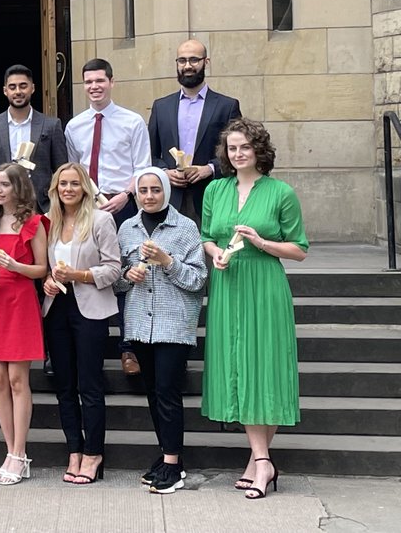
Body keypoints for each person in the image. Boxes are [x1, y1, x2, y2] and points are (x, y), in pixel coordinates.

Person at [201, 118, 308, 501]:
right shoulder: (215, 189)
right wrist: (216, 256)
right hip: (229, 285)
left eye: (244, 146)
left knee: (265, 367)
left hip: (265, 285)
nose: (238, 153)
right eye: (232, 148)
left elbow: (299, 249)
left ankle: (261, 461)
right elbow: (207, 238)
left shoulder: (281, 192)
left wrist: (262, 242)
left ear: (259, 149)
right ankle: (260, 460)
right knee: (238, 365)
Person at [114, 166, 207, 495]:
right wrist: (129, 275)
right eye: (144, 190)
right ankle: (169, 455)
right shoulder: (127, 228)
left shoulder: (185, 228)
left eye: (156, 190)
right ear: (136, 194)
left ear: (166, 191)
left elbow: (198, 279)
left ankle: (173, 465)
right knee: (153, 393)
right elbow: (118, 278)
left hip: (173, 323)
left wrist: (168, 262)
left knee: (168, 392)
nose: (149, 196)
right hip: (140, 322)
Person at [64, 57, 151, 376]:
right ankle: (91, 345)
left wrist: (125, 195)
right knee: (88, 272)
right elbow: (74, 171)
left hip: (123, 203)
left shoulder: (132, 122)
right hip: (88, 208)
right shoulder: (74, 126)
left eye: (100, 80)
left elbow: (142, 167)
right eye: (88, 81)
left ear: (111, 82)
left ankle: (129, 348)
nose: (94, 86)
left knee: (126, 273)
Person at [41, 162, 120, 486]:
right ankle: (74, 449)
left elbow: (114, 269)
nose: (69, 189)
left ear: (85, 187)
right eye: (63, 184)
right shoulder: (51, 222)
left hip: (91, 309)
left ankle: (93, 453)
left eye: (74, 184)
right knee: (64, 386)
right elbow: (48, 265)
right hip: (57, 306)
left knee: (89, 385)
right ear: (56, 189)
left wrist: (80, 275)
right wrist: (48, 279)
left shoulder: (101, 220)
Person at [0, 163, 48, 486]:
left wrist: (16, 265)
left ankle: (20, 452)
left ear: (19, 187)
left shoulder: (34, 223)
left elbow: (41, 269)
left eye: (5, 184)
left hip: (20, 302)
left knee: (18, 380)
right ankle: (10, 450)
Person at [148, 40, 242, 223]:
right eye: (182, 61)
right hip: (170, 197)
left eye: (194, 60)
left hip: (212, 195)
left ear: (206, 62)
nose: (187, 66)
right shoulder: (161, 107)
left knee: (211, 251)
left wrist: (210, 168)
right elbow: (150, 154)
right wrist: (164, 171)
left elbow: (238, 152)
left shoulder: (227, 106)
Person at [0, 64, 67, 214]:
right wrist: (9, 170)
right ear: (5, 91)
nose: (18, 91)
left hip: (42, 205)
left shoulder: (51, 125)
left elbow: (61, 169)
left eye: (23, 86)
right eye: (12, 87)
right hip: (3, 206)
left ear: (32, 88)